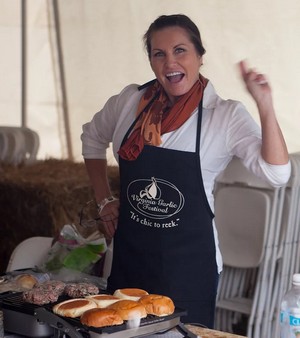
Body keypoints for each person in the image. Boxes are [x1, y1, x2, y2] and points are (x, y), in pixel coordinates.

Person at [81, 14, 291, 328]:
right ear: (150, 61)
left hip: (189, 271)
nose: (170, 62)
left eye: (180, 51)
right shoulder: (128, 102)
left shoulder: (223, 116)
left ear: (199, 57)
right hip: (128, 262)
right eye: (159, 53)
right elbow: (92, 138)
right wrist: (104, 200)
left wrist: (265, 104)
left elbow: (277, 174)